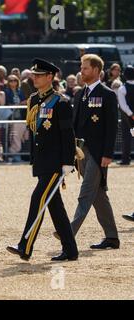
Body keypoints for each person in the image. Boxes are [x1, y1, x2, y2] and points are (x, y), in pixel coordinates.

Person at [7, 58, 79, 261]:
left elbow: (67, 134)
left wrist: (68, 161)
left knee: (38, 199)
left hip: (56, 163)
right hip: (42, 161)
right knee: (55, 207)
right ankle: (70, 249)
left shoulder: (61, 102)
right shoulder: (34, 100)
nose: (34, 78)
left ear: (50, 77)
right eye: (34, 75)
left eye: (39, 75)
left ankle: (25, 245)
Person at [68, 54, 120, 250]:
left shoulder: (108, 94)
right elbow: (75, 125)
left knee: (87, 192)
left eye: (86, 68)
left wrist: (108, 154)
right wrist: (70, 150)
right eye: (82, 68)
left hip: (98, 153)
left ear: (97, 71)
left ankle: (69, 231)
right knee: (98, 195)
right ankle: (112, 237)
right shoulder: (79, 94)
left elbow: (111, 128)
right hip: (82, 152)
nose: (82, 71)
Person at [5, 75, 27, 163]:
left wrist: (20, 103)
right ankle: (11, 156)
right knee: (12, 137)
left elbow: (25, 101)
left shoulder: (20, 91)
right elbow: (7, 103)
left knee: (20, 137)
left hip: (20, 117)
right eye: (11, 80)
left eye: (15, 80)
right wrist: (17, 104)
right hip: (11, 117)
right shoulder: (6, 92)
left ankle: (17, 155)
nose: (13, 82)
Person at [116, 66, 134, 165]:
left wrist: (131, 114)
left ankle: (126, 159)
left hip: (127, 117)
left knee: (126, 137)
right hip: (130, 115)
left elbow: (123, 105)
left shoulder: (122, 88)